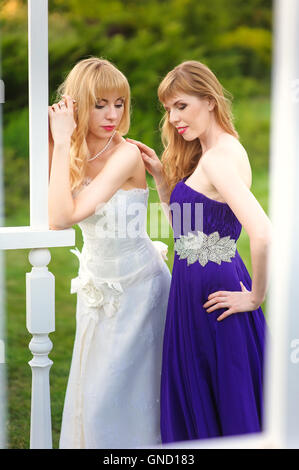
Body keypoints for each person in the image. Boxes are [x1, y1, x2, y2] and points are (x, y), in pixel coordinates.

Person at [127, 60, 271, 443]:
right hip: (194, 292)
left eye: (181, 106)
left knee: (225, 401)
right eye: (168, 109)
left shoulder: (220, 158)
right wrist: (162, 179)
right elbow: (187, 233)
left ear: (209, 101)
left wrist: (255, 297)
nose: (173, 118)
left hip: (216, 298)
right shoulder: (213, 151)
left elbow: (263, 233)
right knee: (207, 398)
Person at [48, 57, 171, 449]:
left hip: (140, 291)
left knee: (121, 399)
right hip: (98, 291)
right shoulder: (71, 147)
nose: (113, 115)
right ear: (78, 104)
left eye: (119, 103)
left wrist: (63, 141)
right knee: (96, 396)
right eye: (100, 104)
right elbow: (52, 211)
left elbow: (63, 217)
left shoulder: (127, 155)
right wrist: (59, 139)